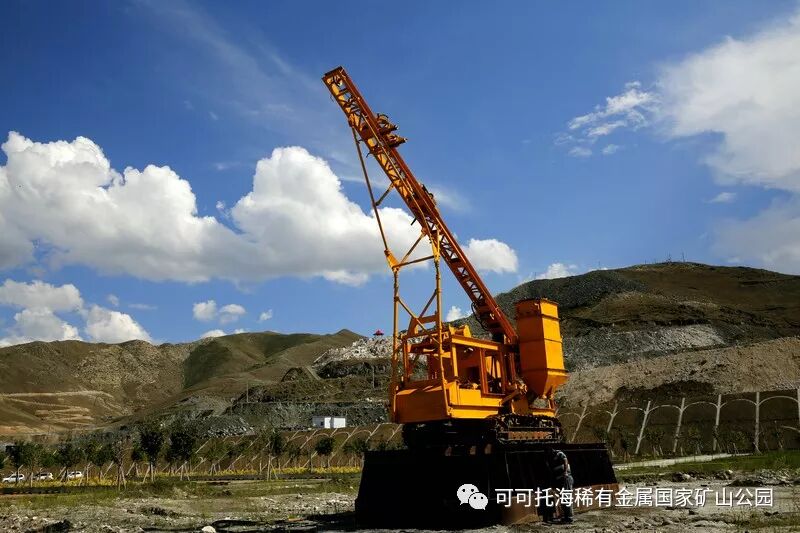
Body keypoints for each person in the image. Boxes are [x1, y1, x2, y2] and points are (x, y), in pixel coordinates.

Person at [546, 446, 574, 524]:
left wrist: (565, 472)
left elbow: (565, 460)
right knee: (563, 498)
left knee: (566, 497)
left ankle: (569, 518)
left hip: (565, 479)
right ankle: (566, 517)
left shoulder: (559, 453)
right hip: (560, 480)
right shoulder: (551, 458)